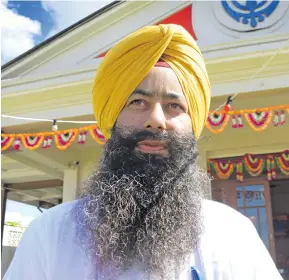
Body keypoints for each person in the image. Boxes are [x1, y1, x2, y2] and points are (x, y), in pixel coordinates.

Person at [4, 24, 281, 280]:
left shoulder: (232, 233)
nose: (156, 119)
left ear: (193, 123)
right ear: (112, 118)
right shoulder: (49, 235)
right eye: (138, 101)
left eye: (175, 106)